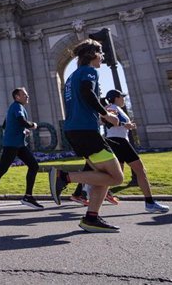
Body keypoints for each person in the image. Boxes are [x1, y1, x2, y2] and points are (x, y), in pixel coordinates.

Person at [49, 39, 124, 233]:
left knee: (103, 176)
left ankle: (91, 218)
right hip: (85, 131)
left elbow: (83, 97)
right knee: (116, 177)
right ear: (92, 54)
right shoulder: (90, 71)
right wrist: (105, 114)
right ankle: (63, 177)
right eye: (100, 53)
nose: (102, 57)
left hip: (75, 129)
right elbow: (87, 92)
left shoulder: (72, 76)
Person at [104, 89, 170, 213]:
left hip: (118, 141)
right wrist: (125, 125)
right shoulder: (111, 107)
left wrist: (127, 125)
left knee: (118, 176)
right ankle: (150, 203)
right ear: (116, 98)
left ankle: (93, 190)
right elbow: (108, 122)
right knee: (140, 170)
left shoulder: (116, 108)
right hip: (119, 142)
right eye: (121, 97)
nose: (123, 99)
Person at [0, 88, 44, 210]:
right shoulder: (17, 107)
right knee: (2, 169)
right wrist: (32, 125)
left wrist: (20, 130)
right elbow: (22, 121)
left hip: (18, 144)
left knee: (33, 166)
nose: (27, 96)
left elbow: (6, 124)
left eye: (27, 94)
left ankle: (28, 196)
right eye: (24, 95)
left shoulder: (15, 107)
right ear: (17, 97)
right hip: (12, 145)